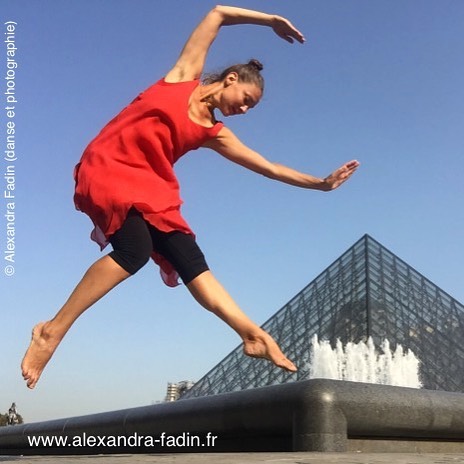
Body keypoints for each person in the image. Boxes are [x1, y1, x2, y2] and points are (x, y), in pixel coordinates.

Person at [21, 5, 359, 389]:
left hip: (153, 186)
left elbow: (269, 167)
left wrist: (320, 183)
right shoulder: (181, 79)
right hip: (110, 165)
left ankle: (249, 333)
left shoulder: (215, 133)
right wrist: (270, 20)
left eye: (251, 107)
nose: (244, 109)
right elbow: (216, 15)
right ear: (230, 78)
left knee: (190, 259)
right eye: (245, 98)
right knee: (133, 250)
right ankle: (52, 331)